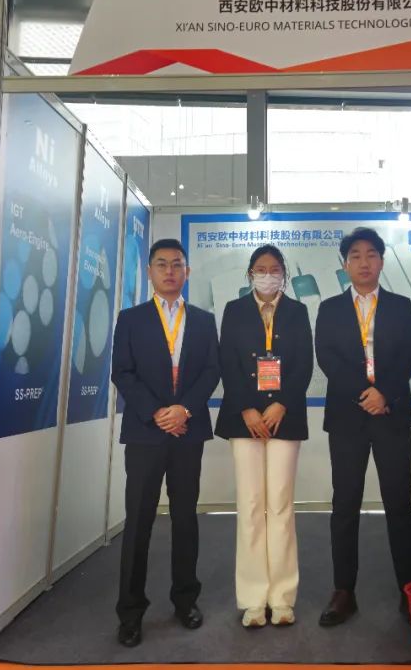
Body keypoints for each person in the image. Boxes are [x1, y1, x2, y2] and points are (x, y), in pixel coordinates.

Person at [111, 239, 220, 648]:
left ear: (187, 272)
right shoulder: (131, 319)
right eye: (162, 264)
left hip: (188, 431)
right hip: (145, 432)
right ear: (150, 272)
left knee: (185, 517)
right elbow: (122, 372)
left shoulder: (204, 320)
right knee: (138, 520)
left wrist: (184, 410)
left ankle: (185, 600)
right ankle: (130, 611)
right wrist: (157, 412)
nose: (170, 271)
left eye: (177, 264)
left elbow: (212, 370)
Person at [314, 227, 411, 627]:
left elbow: (408, 355)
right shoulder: (329, 309)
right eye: (355, 255)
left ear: (382, 261)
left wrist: (384, 394)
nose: (364, 262)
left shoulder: (401, 306)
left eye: (371, 254)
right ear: (345, 264)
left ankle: (409, 590)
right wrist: (365, 393)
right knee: (345, 504)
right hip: (348, 417)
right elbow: (327, 357)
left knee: (399, 503)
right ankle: (344, 591)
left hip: (391, 414)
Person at [216, 245, 313, 629]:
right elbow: (227, 363)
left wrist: (281, 404)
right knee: (252, 506)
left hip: (284, 418)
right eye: (260, 269)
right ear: (250, 274)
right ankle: (254, 600)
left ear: (284, 274)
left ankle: (282, 598)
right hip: (245, 419)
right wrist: (247, 408)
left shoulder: (297, 312)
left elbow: (304, 364)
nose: (267, 275)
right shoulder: (234, 310)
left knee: (281, 505)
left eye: (274, 269)